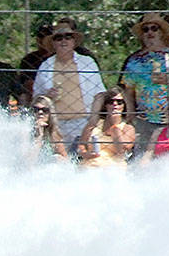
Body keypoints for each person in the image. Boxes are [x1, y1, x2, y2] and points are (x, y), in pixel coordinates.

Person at [33, 19, 105, 148]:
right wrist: (47, 96)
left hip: (83, 121)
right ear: (53, 43)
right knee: (59, 159)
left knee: (83, 160)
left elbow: (99, 93)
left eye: (68, 37)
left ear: (74, 41)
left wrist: (93, 120)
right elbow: (36, 97)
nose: (63, 41)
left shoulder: (87, 63)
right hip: (56, 123)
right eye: (58, 38)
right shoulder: (45, 66)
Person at [119, 13, 169, 155]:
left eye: (154, 28)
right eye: (145, 29)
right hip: (145, 120)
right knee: (144, 160)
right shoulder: (134, 61)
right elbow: (128, 90)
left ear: (161, 32)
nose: (150, 32)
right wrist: (130, 113)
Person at [78, 88, 134, 168]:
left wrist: (115, 126)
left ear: (124, 106)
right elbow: (82, 144)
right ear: (105, 105)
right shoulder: (94, 124)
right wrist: (85, 153)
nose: (115, 104)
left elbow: (121, 150)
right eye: (110, 102)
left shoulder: (128, 128)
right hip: (90, 165)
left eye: (119, 102)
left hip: (113, 168)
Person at [29, 95, 69, 161]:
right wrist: (39, 136)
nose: (40, 112)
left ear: (50, 113)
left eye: (45, 110)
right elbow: (28, 162)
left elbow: (65, 159)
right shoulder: (25, 131)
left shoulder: (54, 133)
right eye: (36, 109)